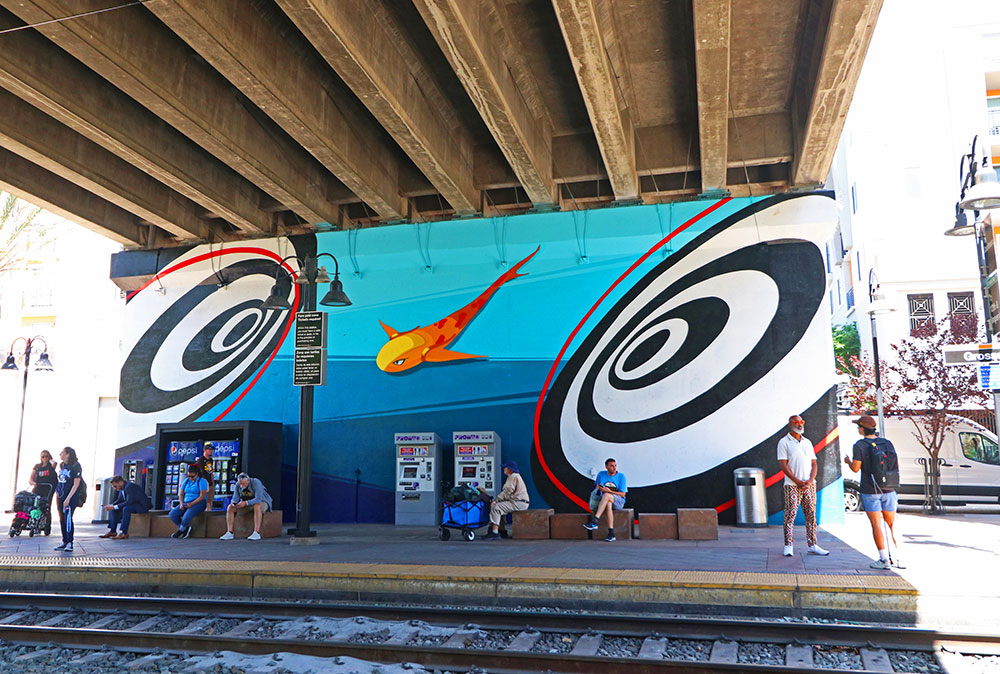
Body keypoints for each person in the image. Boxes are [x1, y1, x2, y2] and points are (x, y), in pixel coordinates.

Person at [845, 415, 904, 570]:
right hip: (889, 488)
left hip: (870, 489)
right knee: (892, 524)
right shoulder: (886, 442)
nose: (858, 428)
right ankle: (899, 558)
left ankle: (884, 559)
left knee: (876, 524)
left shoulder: (860, 445)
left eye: (859, 426)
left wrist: (848, 462)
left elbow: (856, 468)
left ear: (863, 429)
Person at [776, 415, 829, 557]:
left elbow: (814, 463)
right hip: (792, 485)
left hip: (809, 485)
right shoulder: (784, 442)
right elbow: (783, 464)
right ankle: (788, 545)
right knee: (790, 515)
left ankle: (813, 545)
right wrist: (797, 481)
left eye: (802, 422)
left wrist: (810, 480)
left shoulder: (807, 442)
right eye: (796, 422)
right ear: (790, 424)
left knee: (811, 515)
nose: (800, 425)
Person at [481, 461, 529, 541]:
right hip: (521, 502)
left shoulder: (513, 477)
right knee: (501, 507)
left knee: (496, 507)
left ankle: (494, 533)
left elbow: (507, 491)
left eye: (505, 467)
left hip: (518, 503)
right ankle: (502, 530)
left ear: (510, 469)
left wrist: (496, 501)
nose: (504, 469)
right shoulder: (516, 476)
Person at [583, 458, 627, 542]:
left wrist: (609, 491)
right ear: (606, 467)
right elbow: (597, 486)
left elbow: (623, 494)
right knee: (608, 504)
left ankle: (595, 521)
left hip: (619, 501)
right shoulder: (601, 474)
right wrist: (600, 488)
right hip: (605, 500)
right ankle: (611, 533)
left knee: (607, 495)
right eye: (611, 466)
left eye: (615, 465)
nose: (614, 468)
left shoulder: (621, 476)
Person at [219, 473, 272, 541]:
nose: (242, 486)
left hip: (262, 502)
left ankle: (257, 532)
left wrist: (246, 503)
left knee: (257, 506)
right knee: (230, 508)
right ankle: (230, 532)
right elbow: (235, 497)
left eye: (243, 484)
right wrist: (234, 503)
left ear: (248, 481)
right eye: (240, 484)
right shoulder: (238, 485)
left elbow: (258, 498)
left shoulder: (256, 482)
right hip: (246, 504)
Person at [100, 476, 152, 540]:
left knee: (126, 509)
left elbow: (129, 501)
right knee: (114, 509)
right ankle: (112, 531)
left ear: (121, 482)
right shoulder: (122, 488)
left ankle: (124, 532)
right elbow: (120, 500)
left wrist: (114, 507)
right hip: (133, 504)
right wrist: (111, 506)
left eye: (115, 486)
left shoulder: (129, 487)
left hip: (141, 506)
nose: (115, 488)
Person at [54, 447, 83, 552]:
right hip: (60, 495)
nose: (60, 455)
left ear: (68, 454)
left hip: (70, 497)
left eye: (62, 453)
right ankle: (64, 540)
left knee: (68, 518)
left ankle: (70, 541)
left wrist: (68, 498)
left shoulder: (75, 466)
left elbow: (76, 484)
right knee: (62, 519)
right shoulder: (62, 465)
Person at [168, 465, 209, 539]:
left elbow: (202, 496)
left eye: (192, 476)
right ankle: (184, 527)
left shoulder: (202, 481)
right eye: (189, 476)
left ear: (197, 474)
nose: (190, 478)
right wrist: (181, 503)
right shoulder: (186, 481)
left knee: (186, 516)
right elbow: (181, 494)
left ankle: (181, 530)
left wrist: (192, 504)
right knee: (173, 514)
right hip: (186, 501)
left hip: (198, 502)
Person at [29, 450, 57, 536]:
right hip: (38, 487)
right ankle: (34, 524)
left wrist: (50, 459)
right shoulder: (37, 466)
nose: (44, 458)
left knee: (46, 506)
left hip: (48, 488)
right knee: (34, 505)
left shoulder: (50, 466)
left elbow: (55, 463)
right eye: (43, 456)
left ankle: (46, 526)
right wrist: (33, 483)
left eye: (46, 456)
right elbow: (31, 478)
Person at [193, 443, 216, 510]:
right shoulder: (200, 460)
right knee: (204, 502)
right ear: (205, 450)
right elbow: (197, 473)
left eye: (212, 450)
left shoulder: (211, 460)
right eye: (210, 450)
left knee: (210, 501)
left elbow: (210, 472)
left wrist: (212, 482)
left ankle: (209, 514)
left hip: (210, 483)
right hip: (203, 484)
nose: (211, 451)